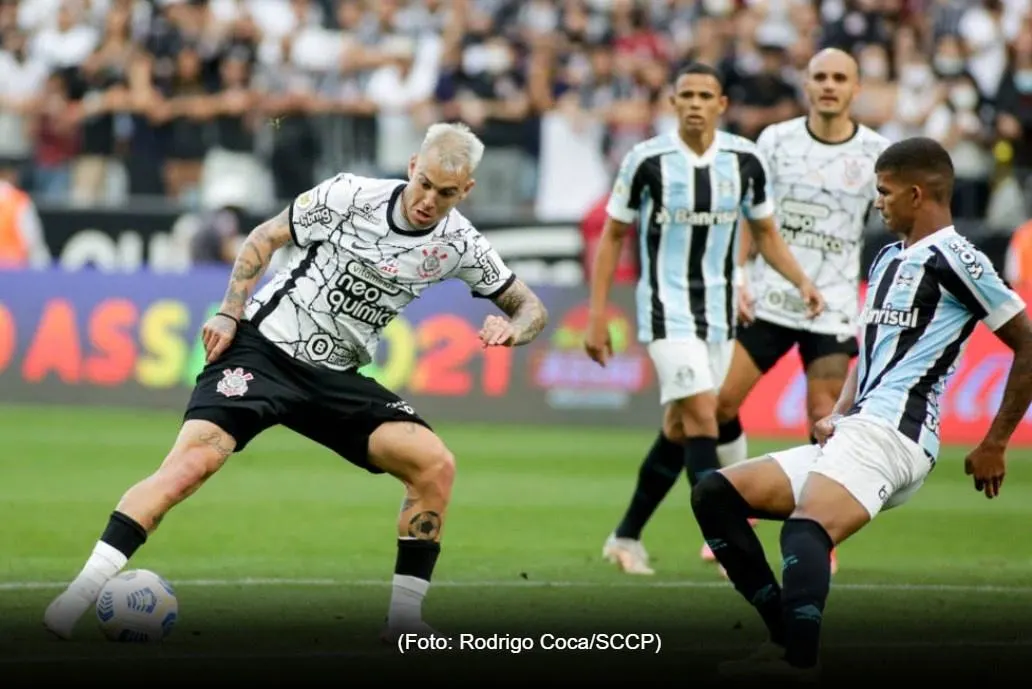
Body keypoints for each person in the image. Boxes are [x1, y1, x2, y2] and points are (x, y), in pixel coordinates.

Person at [42, 122, 549, 642]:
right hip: (263, 351)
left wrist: (513, 329)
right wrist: (227, 313)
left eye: (446, 194)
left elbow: (530, 306)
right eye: (425, 185)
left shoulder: (460, 243)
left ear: (465, 191)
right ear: (413, 167)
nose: (428, 201)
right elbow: (264, 238)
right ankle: (75, 598)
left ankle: (403, 622)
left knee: (434, 466)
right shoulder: (350, 194)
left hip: (336, 378)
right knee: (192, 465)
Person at [691, 136, 1032, 680]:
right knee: (716, 494)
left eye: (885, 191)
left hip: (897, 433)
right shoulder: (889, 257)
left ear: (917, 194)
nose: (878, 202)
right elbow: (871, 350)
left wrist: (995, 442)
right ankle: (785, 638)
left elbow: (1027, 341)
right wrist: (838, 411)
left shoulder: (958, 257)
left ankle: (800, 662)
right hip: (860, 426)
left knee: (805, 530)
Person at [584, 62, 824, 575]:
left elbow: (765, 235)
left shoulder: (745, 159)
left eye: (704, 95)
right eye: (685, 94)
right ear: (673, 102)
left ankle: (625, 536)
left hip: (720, 313)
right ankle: (731, 542)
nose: (694, 103)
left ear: (721, 105)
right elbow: (613, 237)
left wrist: (801, 281)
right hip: (665, 311)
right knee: (700, 415)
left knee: (681, 426)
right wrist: (598, 314)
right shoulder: (645, 160)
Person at [703, 48, 892, 573]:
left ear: (855, 89)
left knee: (824, 421)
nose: (829, 85)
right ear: (806, 85)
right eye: (820, 77)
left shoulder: (878, 152)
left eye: (840, 78)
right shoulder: (775, 140)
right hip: (769, 298)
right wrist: (739, 274)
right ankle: (737, 512)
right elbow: (752, 215)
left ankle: (816, 532)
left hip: (831, 307)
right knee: (720, 405)